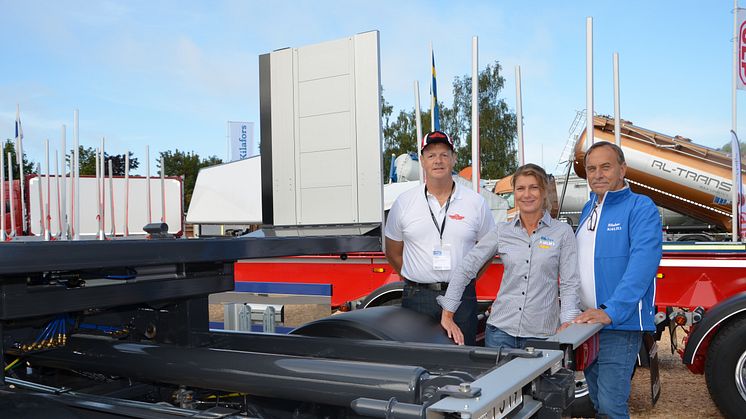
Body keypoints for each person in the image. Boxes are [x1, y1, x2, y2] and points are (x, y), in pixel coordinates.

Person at [438, 163, 580, 347]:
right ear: (514, 193)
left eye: (533, 187)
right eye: (520, 188)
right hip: (500, 333)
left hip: (542, 336)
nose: (527, 194)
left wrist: (568, 324)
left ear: (544, 191)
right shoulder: (502, 231)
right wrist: (448, 313)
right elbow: (467, 267)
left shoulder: (562, 232)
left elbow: (570, 284)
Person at [571, 141, 662, 419]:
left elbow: (642, 266)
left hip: (618, 325)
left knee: (611, 407)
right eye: (591, 168)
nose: (598, 174)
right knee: (599, 402)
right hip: (588, 324)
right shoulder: (589, 208)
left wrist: (611, 312)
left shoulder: (640, 207)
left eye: (606, 167)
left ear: (622, 169)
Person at [384, 130, 495, 346]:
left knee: (462, 362)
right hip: (418, 297)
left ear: (454, 159)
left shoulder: (475, 202)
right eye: (431, 155)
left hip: (462, 298)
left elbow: (487, 250)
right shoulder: (404, 203)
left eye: (444, 154)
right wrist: (416, 279)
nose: (438, 161)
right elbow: (393, 251)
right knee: (418, 362)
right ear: (423, 160)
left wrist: (466, 280)